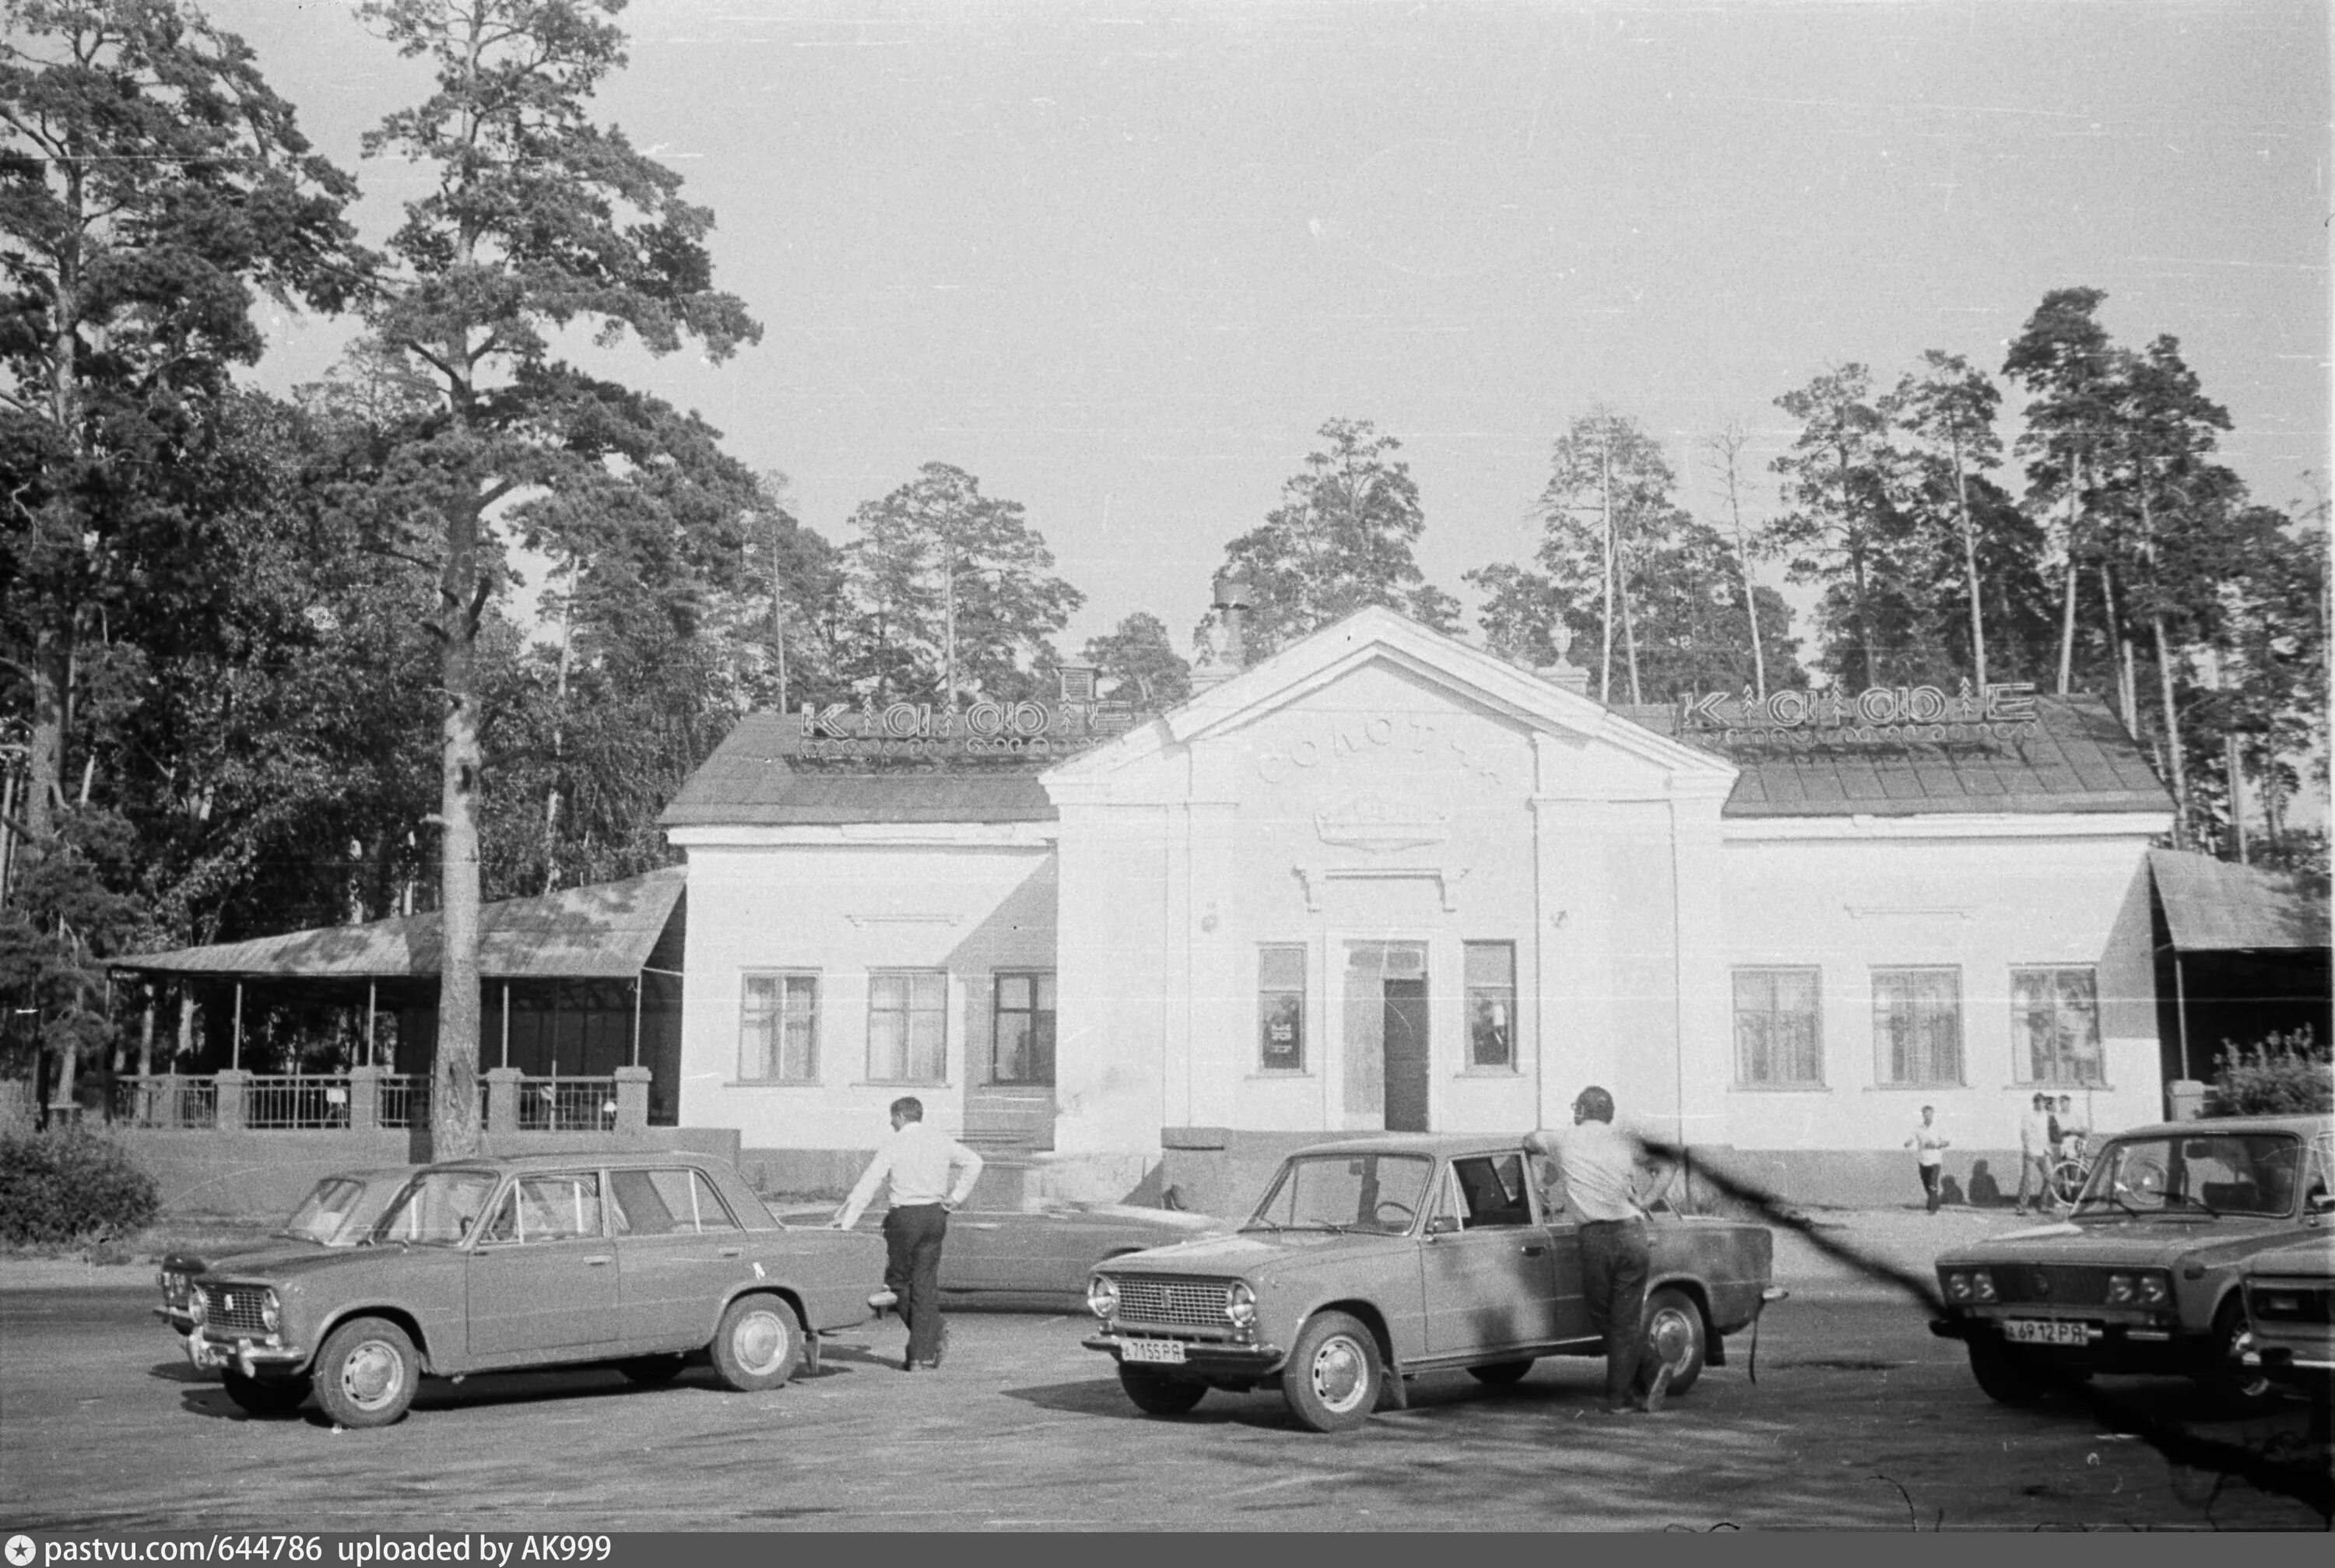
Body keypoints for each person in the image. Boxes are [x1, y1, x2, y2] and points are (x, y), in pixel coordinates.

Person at [1523, 1086, 1674, 1414]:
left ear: (1580, 1112)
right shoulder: (1624, 1141)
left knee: (1602, 1315)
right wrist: (1646, 1201)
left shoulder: (1564, 1139)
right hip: (1633, 1233)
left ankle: (1621, 1396)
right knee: (1624, 1320)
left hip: (1596, 1237)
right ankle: (1648, 1369)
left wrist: (1538, 1166)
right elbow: (1667, 1167)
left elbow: (1529, 1140)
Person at [832, 1096, 985, 1370]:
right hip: (935, 1216)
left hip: (904, 1218)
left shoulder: (894, 1144)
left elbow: (869, 1184)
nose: (891, 1123)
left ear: (901, 1117)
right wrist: (956, 1198)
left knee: (897, 1282)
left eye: (892, 1118)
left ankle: (931, 1334)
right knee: (925, 1284)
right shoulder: (940, 1140)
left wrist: (846, 1223)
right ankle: (920, 1354)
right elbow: (975, 1162)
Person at [1905, 1105, 1951, 1213]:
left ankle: (1932, 1207)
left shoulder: (1939, 1127)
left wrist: (1936, 1145)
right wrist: (1908, 1143)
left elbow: (1947, 1142)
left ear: (1933, 1114)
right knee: (1927, 1184)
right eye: (1925, 1114)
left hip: (1935, 1160)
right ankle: (1935, 1201)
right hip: (1923, 1160)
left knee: (1933, 1183)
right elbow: (1912, 1139)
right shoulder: (1919, 1128)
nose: (1928, 1116)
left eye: (1930, 1114)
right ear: (1922, 1115)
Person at [2014, 1092, 2053, 1215]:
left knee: (2050, 1177)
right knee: (2028, 1180)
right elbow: (2024, 1133)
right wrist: (2027, 1149)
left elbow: (2045, 1133)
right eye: (2039, 1102)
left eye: (2043, 1102)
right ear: (2035, 1103)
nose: (2042, 1104)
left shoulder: (2046, 1115)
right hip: (2031, 1152)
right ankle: (2022, 1206)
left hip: (2043, 1152)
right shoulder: (2028, 1115)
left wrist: (2048, 1149)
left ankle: (2042, 1205)